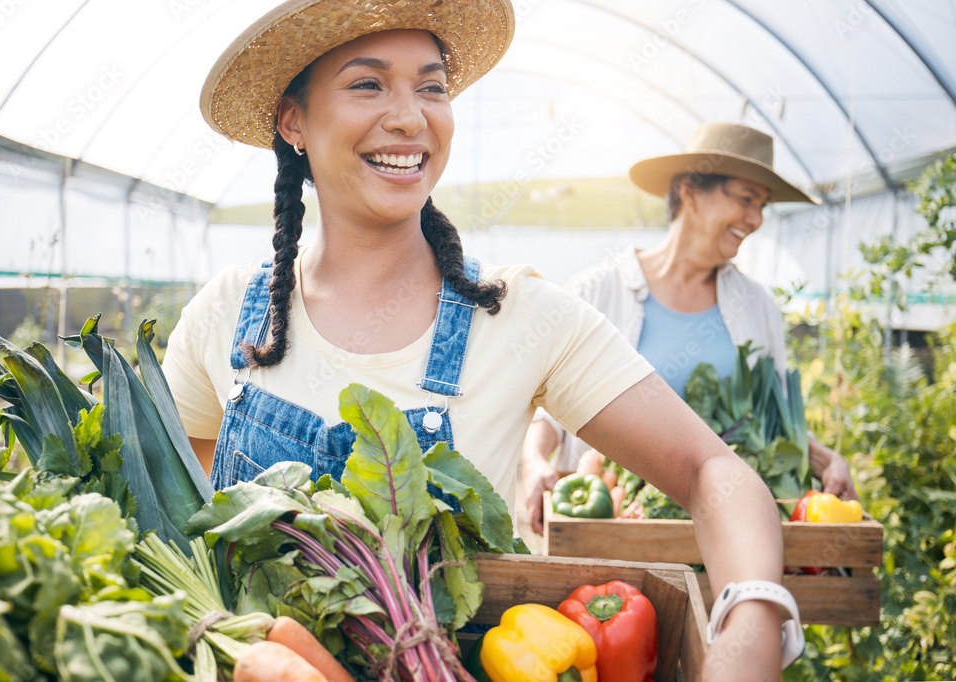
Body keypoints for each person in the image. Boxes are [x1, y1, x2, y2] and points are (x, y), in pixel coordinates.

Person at [163, 2, 799, 676]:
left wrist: (750, 621)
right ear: (293, 119)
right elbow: (174, 506)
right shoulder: (227, 313)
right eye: (367, 84)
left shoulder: (521, 315)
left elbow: (712, 471)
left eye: (431, 86)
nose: (411, 116)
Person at [523, 121, 859, 535]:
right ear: (690, 189)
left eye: (763, 206)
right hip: (612, 522)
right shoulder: (598, 290)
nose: (756, 219)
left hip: (727, 526)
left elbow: (771, 423)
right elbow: (548, 411)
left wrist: (828, 461)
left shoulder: (757, 308)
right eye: (746, 199)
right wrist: (535, 461)